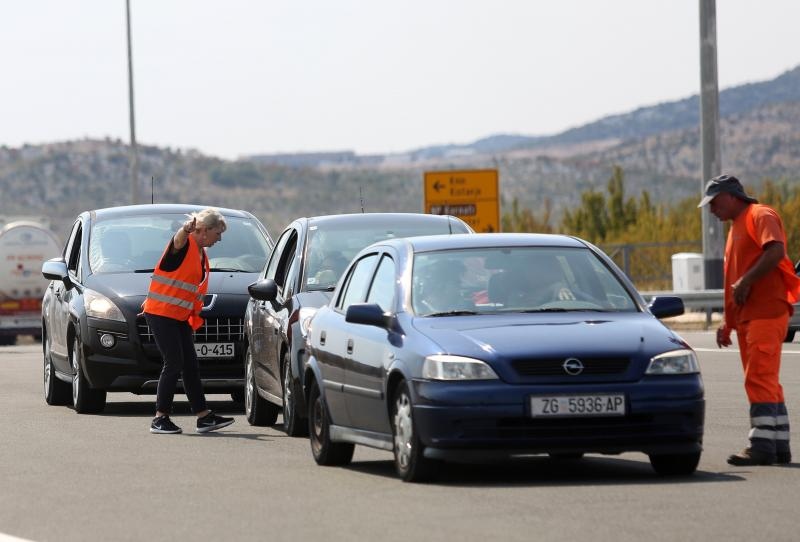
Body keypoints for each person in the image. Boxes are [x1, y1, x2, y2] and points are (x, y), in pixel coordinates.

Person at [698, 174, 800, 465]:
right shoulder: (735, 229)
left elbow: (776, 250)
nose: (712, 210)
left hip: (767, 313)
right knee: (766, 381)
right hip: (748, 318)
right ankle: (778, 446)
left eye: (714, 203)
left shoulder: (760, 215)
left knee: (758, 378)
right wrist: (727, 322)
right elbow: (733, 281)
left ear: (731, 196)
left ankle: (761, 445)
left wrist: (747, 281)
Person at [142, 208, 235, 435]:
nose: (219, 239)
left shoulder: (201, 253)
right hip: (162, 313)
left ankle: (203, 417)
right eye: (217, 233)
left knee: (190, 366)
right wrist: (185, 229)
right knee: (173, 363)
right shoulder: (184, 244)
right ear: (203, 231)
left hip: (179, 316)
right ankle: (160, 418)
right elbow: (178, 240)